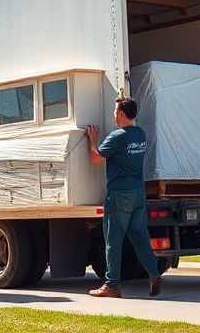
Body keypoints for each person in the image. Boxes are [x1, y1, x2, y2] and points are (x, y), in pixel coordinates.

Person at [85, 97, 162, 298]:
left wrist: (92, 140)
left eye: (114, 110)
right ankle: (154, 273)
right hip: (138, 193)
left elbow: (95, 159)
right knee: (140, 236)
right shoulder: (140, 134)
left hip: (119, 194)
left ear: (120, 113)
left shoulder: (117, 136)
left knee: (113, 240)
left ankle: (111, 285)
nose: (112, 114)